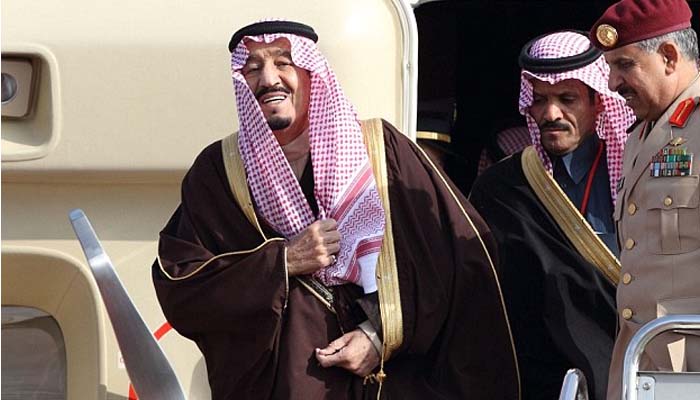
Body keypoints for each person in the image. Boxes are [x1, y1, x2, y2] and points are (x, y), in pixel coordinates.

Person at [152, 20, 519, 399]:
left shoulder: (382, 150)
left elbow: (457, 262)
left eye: (283, 62)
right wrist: (282, 262)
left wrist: (380, 333)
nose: (268, 79)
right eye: (253, 68)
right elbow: (182, 287)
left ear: (312, 72)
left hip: (388, 383)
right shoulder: (219, 172)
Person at [470, 30, 635, 400]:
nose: (551, 114)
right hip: (536, 380)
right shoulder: (500, 188)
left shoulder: (634, 174)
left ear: (598, 102)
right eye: (540, 100)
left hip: (626, 368)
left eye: (567, 99)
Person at [590, 0, 700, 398]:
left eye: (625, 65)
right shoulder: (640, 135)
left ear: (668, 57)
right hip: (642, 365)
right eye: (610, 67)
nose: (613, 83)